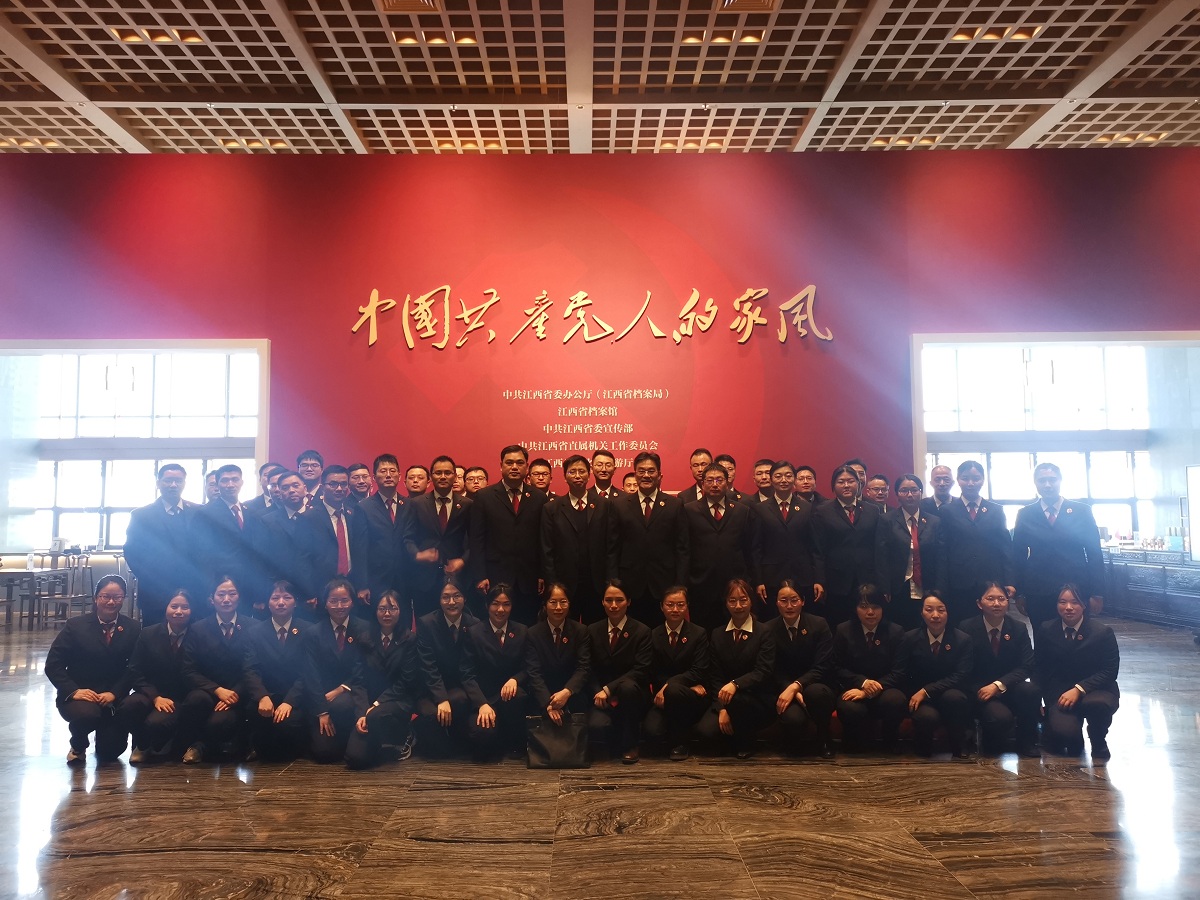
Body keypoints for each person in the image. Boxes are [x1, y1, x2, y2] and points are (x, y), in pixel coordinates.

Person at [45, 575, 141, 765]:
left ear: (124, 598)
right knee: (87, 715)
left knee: (110, 752)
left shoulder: (133, 627)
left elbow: (135, 667)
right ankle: (78, 744)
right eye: (106, 596)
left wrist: (115, 693)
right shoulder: (75, 626)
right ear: (96, 598)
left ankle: (104, 734)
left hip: (112, 698)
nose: (111, 602)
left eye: (117, 597)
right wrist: (74, 690)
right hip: (80, 695)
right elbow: (53, 665)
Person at [180, 576, 265, 763]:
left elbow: (255, 668)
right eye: (221, 594)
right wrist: (217, 690)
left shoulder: (254, 627)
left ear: (239, 597)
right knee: (194, 700)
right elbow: (189, 670)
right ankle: (197, 745)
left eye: (232, 594)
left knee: (221, 722)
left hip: (241, 692)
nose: (226, 599)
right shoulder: (197, 629)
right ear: (212, 599)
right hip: (209, 691)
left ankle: (244, 742)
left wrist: (235, 693)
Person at [1013, 462, 1106, 626]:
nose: (1047, 485)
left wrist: (1097, 592)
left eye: (1052, 479)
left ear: (1060, 481)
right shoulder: (1025, 514)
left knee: (1077, 635)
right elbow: (1017, 555)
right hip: (1038, 591)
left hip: (1076, 589)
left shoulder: (1082, 511)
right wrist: (1019, 593)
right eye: (1042, 480)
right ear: (1035, 483)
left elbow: (1094, 554)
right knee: (1042, 635)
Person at [413, 578, 496, 759]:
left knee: (482, 733)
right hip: (431, 690)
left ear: (465, 598)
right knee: (431, 720)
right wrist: (441, 698)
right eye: (446, 597)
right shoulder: (426, 623)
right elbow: (428, 666)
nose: (451, 602)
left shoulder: (475, 624)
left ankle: (458, 733)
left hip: (463, 690)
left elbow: (474, 667)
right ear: (439, 600)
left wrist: (481, 701)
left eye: (457, 596)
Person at [1035, 584, 1119, 761]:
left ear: (1084, 605)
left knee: (1098, 705)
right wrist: (1042, 701)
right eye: (1062, 602)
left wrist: (1079, 689)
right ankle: (1068, 734)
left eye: (1075, 602)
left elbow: (1110, 671)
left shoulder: (1102, 632)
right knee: (1066, 741)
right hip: (1060, 694)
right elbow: (1040, 668)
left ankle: (1098, 740)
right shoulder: (1046, 629)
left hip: (1096, 691)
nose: (1068, 607)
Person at [886, 592, 974, 757]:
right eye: (929, 610)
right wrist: (919, 692)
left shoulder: (963, 639)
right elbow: (901, 671)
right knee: (927, 718)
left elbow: (961, 675)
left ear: (948, 612)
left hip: (948, 692)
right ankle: (922, 746)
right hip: (919, 697)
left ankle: (959, 745)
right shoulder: (909, 638)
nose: (935, 615)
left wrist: (927, 690)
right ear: (921, 612)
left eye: (941, 610)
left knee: (956, 699)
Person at [696, 579, 775, 759]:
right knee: (705, 732)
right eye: (732, 600)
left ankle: (746, 741)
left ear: (751, 601)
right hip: (726, 698)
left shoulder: (764, 631)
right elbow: (715, 675)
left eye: (743, 600)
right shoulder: (717, 634)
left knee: (739, 702)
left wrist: (735, 684)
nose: (738, 606)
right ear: (726, 603)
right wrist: (722, 708)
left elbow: (763, 671)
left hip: (757, 699)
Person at [609, 451, 689, 629]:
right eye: (641, 471)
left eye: (651, 471)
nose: (646, 475)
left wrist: (680, 585)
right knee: (631, 634)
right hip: (629, 585)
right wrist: (614, 583)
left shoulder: (674, 505)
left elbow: (682, 548)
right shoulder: (620, 505)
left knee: (662, 634)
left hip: (665, 585)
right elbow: (613, 548)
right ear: (635, 473)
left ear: (659, 475)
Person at [469, 444, 547, 625]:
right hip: (495, 576)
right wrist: (480, 575)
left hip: (529, 579)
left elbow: (543, 540)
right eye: (509, 462)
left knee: (527, 627)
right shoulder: (484, 496)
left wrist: (542, 574)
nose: (514, 467)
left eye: (519, 463)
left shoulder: (539, 497)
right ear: (501, 466)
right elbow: (477, 539)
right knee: (496, 628)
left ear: (527, 467)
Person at [960, 581, 1040, 757]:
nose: (996, 603)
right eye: (990, 599)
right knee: (1000, 719)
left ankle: (1027, 741)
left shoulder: (1018, 628)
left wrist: (998, 685)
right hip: (981, 691)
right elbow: (964, 669)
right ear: (979, 603)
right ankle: (982, 736)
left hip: (1009, 687)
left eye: (1001, 599)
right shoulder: (966, 628)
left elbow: (1027, 665)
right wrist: (983, 689)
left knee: (1030, 690)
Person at [125, 589, 204, 763]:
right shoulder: (148, 634)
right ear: (166, 608)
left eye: (185, 607)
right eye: (174, 606)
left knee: (157, 723)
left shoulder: (199, 635)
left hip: (184, 697)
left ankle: (178, 742)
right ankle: (142, 745)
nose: (179, 611)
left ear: (192, 610)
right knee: (129, 705)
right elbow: (134, 670)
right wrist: (155, 697)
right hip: (153, 693)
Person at [124, 463, 205, 626]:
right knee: (155, 637)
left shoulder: (199, 512)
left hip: (193, 592)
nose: (173, 485)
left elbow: (205, 550)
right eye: (168, 480)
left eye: (178, 481)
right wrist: (151, 578)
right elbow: (132, 552)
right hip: (155, 593)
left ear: (184, 483)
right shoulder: (141, 515)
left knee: (192, 636)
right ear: (158, 483)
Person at [346, 591, 419, 769]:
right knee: (355, 758)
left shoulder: (409, 639)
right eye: (382, 609)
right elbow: (358, 680)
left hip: (399, 699)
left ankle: (405, 734)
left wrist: (377, 704)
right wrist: (362, 712)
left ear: (400, 611)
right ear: (375, 611)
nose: (387, 613)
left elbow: (406, 681)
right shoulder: (364, 639)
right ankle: (378, 743)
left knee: (377, 716)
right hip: (370, 704)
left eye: (392, 608)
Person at [302, 577, 370, 764]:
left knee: (342, 705)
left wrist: (342, 688)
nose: (339, 606)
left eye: (344, 600)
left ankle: (351, 736)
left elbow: (365, 668)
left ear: (352, 602)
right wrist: (322, 712)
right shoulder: (313, 633)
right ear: (325, 603)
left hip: (354, 692)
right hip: (322, 698)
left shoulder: (364, 628)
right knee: (324, 754)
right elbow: (311, 674)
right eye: (333, 601)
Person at [831, 586, 906, 753]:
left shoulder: (896, 632)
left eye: (876, 607)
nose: (870, 612)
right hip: (854, 686)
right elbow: (836, 667)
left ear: (883, 608)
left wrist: (868, 691)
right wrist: (863, 683)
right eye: (864, 607)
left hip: (885, 688)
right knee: (849, 707)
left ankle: (890, 741)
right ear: (855, 608)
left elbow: (899, 672)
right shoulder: (843, 630)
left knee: (896, 700)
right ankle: (853, 744)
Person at [541, 455, 614, 625]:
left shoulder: (604, 505)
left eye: (582, 471)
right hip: (565, 585)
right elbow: (547, 550)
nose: (577, 476)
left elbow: (611, 546)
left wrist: (610, 582)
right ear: (564, 476)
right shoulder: (551, 508)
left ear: (589, 474)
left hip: (597, 583)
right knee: (566, 630)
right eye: (572, 472)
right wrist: (553, 585)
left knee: (596, 629)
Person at [765, 581, 835, 758]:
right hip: (784, 688)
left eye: (794, 600)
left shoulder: (819, 624)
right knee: (793, 720)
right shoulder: (768, 629)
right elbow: (772, 668)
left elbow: (823, 666)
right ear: (776, 603)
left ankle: (824, 738)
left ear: (803, 601)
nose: (789, 606)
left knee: (817, 693)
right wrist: (790, 689)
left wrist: (797, 685)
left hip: (814, 685)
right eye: (784, 600)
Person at [939, 460, 1014, 623]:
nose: (970, 483)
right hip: (958, 582)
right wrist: (942, 584)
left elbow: (1005, 547)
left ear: (983, 480)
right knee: (961, 626)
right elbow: (943, 550)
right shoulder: (947, 511)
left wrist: (1009, 581)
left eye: (976, 478)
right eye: (965, 478)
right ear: (958, 480)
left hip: (991, 581)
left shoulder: (996, 510)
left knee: (990, 625)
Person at [586, 580, 653, 763]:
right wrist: (598, 692)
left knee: (628, 687)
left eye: (619, 600)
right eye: (609, 600)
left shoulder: (642, 631)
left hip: (632, 695)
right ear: (602, 602)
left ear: (628, 602)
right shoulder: (592, 630)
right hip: (601, 696)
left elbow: (641, 670)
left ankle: (631, 745)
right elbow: (588, 668)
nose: (614, 605)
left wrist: (609, 689)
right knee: (596, 726)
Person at [683, 464, 756, 629]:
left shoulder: (742, 511)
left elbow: (749, 549)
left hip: (734, 585)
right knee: (703, 631)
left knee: (735, 631)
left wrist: (749, 580)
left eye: (719, 480)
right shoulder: (689, 510)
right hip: (701, 585)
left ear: (727, 482)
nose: (714, 485)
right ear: (702, 483)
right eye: (710, 480)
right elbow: (685, 549)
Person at [245, 580, 310, 760]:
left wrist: (289, 701)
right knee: (255, 713)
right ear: (268, 603)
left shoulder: (308, 630)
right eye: (275, 598)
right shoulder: (255, 632)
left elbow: (308, 671)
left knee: (287, 725)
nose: (281, 602)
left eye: (286, 597)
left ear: (295, 602)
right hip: (268, 694)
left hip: (296, 696)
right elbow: (250, 669)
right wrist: (262, 696)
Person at [195, 463, 272, 615]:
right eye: (225, 480)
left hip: (249, 588)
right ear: (217, 484)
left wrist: (260, 590)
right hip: (221, 587)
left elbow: (258, 553)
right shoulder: (204, 514)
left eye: (235, 479)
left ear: (242, 482)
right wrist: (209, 589)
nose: (230, 484)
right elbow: (202, 555)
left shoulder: (251, 513)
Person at [644, 587, 710, 761]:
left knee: (674, 691)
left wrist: (670, 685)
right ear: (661, 606)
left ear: (687, 606)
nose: (675, 609)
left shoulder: (698, 633)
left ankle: (680, 743)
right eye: (670, 604)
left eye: (680, 604)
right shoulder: (653, 635)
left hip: (691, 696)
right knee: (652, 732)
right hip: (662, 697)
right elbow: (651, 671)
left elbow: (699, 670)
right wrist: (666, 688)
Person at [296, 465, 373, 616]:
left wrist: (363, 585)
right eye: (333, 484)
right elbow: (302, 559)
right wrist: (308, 592)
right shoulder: (308, 518)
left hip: (353, 587)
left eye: (343, 484)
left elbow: (361, 552)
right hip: (321, 589)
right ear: (322, 487)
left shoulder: (354, 513)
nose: (339, 489)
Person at [811, 465, 880, 627]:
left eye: (851, 481)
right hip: (836, 580)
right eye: (841, 482)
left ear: (859, 484)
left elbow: (878, 547)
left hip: (867, 578)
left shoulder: (873, 510)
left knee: (867, 623)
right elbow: (818, 550)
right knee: (839, 624)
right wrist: (819, 580)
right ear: (833, 486)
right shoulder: (822, 511)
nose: (846, 485)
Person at [875, 474, 946, 631]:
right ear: (897, 494)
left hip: (928, 585)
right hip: (898, 586)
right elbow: (881, 557)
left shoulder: (934, 521)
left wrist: (940, 587)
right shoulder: (887, 520)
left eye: (914, 490)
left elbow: (941, 558)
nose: (909, 495)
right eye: (904, 490)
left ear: (921, 492)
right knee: (900, 628)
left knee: (925, 628)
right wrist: (885, 587)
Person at [404, 455, 472, 620]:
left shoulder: (467, 504)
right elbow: (407, 537)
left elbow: (474, 540)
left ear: (455, 476)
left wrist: (463, 561)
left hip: (457, 578)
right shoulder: (417, 503)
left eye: (447, 473)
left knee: (456, 623)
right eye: (438, 473)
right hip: (425, 577)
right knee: (425, 623)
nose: (442, 476)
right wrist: (417, 555)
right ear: (431, 477)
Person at [467, 584, 529, 758]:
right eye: (495, 604)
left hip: (510, 697)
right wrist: (482, 704)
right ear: (487, 606)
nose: (500, 609)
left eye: (506, 604)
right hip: (485, 697)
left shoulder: (522, 631)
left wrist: (515, 679)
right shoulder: (474, 632)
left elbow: (529, 667)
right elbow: (467, 674)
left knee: (518, 696)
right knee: (482, 737)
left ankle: (513, 740)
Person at [751, 460, 823, 611]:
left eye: (788, 476)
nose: (783, 480)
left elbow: (815, 547)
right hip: (771, 577)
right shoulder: (760, 509)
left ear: (794, 479)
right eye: (778, 476)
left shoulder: (807, 508)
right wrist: (758, 581)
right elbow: (756, 548)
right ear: (771, 479)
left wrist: (819, 579)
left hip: (803, 576)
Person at [525, 584, 591, 725]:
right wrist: (548, 703)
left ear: (569, 604)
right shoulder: (533, 633)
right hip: (543, 694)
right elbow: (533, 672)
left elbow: (583, 668)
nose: (558, 607)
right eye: (553, 602)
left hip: (572, 693)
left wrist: (567, 692)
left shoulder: (581, 631)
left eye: (563, 602)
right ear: (545, 605)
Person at [358, 453, 409, 620]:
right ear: (374, 477)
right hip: (376, 579)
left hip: (405, 578)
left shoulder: (409, 505)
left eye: (392, 471)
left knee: (404, 621)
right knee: (376, 623)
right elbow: (360, 548)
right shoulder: (364, 507)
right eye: (383, 471)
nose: (388, 475)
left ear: (399, 476)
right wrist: (362, 584)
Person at [260, 470, 315, 618]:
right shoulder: (267, 521)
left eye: (295, 485)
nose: (291, 490)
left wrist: (314, 591)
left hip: (313, 594)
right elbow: (263, 561)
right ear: (279, 492)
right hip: (279, 593)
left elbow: (323, 558)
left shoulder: (318, 517)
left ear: (305, 488)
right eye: (285, 488)